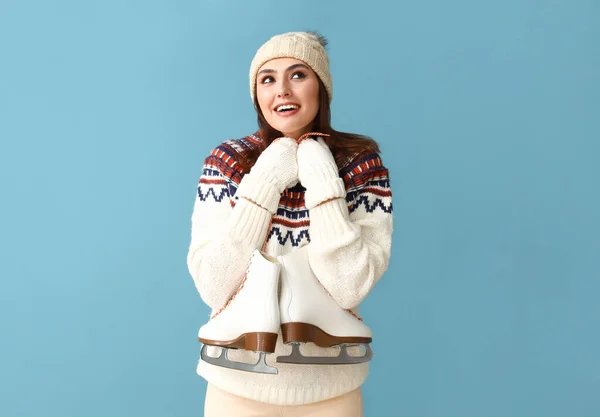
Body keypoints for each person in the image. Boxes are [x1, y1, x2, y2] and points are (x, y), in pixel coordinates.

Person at [186, 31, 394, 417]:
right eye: (268, 79)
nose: (282, 90)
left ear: (321, 88)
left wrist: (323, 179)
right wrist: (264, 182)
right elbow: (214, 286)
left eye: (298, 75)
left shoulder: (361, 163)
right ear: (257, 95)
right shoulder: (226, 162)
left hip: (333, 386)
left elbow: (350, 287)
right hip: (235, 384)